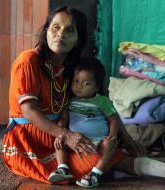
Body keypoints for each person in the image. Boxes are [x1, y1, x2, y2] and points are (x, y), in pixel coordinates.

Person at [2, 5, 165, 186]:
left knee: (107, 150)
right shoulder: (28, 61)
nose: (60, 34)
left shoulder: (70, 68)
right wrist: (68, 135)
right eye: (55, 27)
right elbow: (28, 111)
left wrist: (126, 137)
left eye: (70, 30)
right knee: (97, 158)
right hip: (29, 139)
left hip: (59, 134)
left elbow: (105, 105)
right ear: (46, 31)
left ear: (79, 39)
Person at [48, 57, 121, 188]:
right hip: (75, 142)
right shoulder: (70, 101)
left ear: (97, 86)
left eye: (86, 83)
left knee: (110, 145)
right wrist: (61, 133)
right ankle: (63, 168)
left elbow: (114, 118)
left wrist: (112, 134)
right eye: (76, 81)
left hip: (99, 141)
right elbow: (64, 118)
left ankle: (95, 174)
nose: (79, 86)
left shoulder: (102, 101)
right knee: (59, 143)